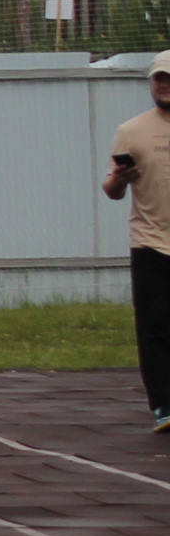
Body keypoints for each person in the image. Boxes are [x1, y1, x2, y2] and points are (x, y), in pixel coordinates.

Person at [105, 48, 170, 432]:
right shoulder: (132, 130)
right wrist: (118, 180)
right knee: (155, 325)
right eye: (159, 79)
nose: (165, 86)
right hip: (150, 242)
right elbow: (111, 188)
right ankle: (163, 403)